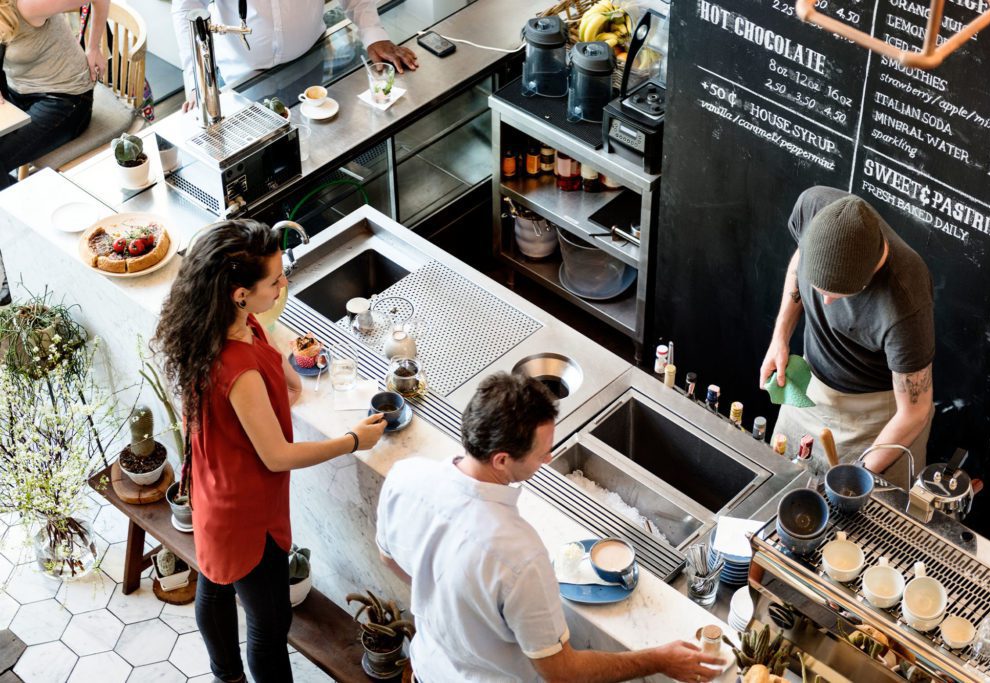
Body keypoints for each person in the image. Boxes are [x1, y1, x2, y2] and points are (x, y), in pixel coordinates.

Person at [152, 219, 386, 683]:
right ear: (240, 292)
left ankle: (226, 676)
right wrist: (353, 440)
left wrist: (282, 359)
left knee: (217, 583)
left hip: (214, 486)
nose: (284, 284)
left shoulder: (219, 325)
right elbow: (277, 456)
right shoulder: (237, 369)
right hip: (246, 512)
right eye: (276, 279)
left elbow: (285, 378)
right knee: (270, 623)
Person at [376, 372, 724, 683]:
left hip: (426, 670)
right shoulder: (520, 556)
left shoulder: (406, 476)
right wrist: (658, 659)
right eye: (542, 453)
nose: (549, 459)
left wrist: (449, 601)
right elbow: (562, 672)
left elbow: (388, 557)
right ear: (501, 460)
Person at [759, 186, 935, 488]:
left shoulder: (906, 302)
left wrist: (859, 473)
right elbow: (799, 259)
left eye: (837, 295)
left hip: (876, 420)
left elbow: (915, 411)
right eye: (819, 290)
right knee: (781, 489)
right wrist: (781, 336)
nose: (826, 303)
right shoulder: (813, 207)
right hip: (810, 391)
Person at [171, 0, 418, 111]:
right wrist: (197, 80)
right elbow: (187, 7)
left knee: (319, 149)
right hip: (241, 80)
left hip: (311, 62)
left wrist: (374, 33)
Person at [0, 0, 108, 189]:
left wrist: (94, 46)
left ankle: (22, 212)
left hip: (65, 98)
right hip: (19, 91)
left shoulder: (28, 5)